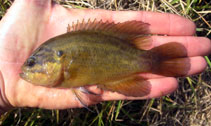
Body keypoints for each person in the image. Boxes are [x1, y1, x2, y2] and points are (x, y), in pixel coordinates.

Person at [0, 0, 210, 115]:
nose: (26, 70)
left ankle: (154, 61)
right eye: (31, 63)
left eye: (32, 63)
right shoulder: (57, 53)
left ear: (57, 60)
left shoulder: (63, 56)